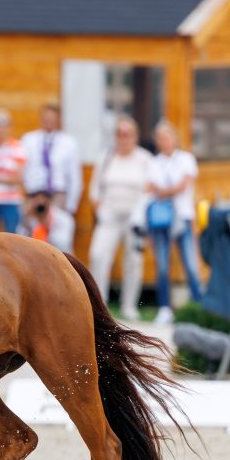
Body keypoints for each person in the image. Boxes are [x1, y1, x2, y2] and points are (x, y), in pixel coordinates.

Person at [88, 116, 151, 321]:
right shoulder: (106, 157)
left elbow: (150, 191)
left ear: (135, 136)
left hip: (135, 218)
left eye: (128, 134)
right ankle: (100, 304)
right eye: (120, 134)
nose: (124, 138)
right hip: (110, 215)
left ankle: (129, 306)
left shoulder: (145, 159)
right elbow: (95, 189)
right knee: (98, 255)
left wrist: (143, 217)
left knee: (133, 260)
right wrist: (99, 208)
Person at [148, 120, 203, 326]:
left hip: (183, 216)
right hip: (162, 219)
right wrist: (168, 190)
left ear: (175, 139)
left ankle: (199, 306)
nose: (165, 141)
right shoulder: (155, 162)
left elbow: (184, 184)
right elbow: (151, 187)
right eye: (161, 138)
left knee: (191, 263)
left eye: (167, 137)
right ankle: (164, 308)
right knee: (162, 264)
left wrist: (166, 191)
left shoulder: (186, 159)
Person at [20, 103, 82, 252]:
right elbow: (22, 168)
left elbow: (74, 176)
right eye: (45, 118)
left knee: (59, 239)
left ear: (58, 119)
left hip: (57, 195)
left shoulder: (69, 143)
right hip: (35, 194)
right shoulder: (28, 139)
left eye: (52, 118)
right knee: (33, 237)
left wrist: (71, 205)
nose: (48, 121)